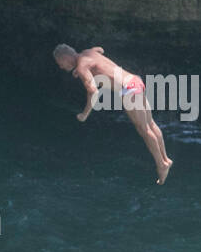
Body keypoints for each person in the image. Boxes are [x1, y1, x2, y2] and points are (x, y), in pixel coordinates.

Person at [52, 43, 173, 184]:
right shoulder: (87, 53)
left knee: (144, 129)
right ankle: (165, 159)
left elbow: (93, 91)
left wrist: (85, 113)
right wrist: (86, 69)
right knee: (150, 124)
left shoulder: (82, 66)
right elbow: (99, 50)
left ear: (66, 58)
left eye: (60, 63)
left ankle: (161, 164)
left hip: (128, 90)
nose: (61, 67)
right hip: (134, 81)